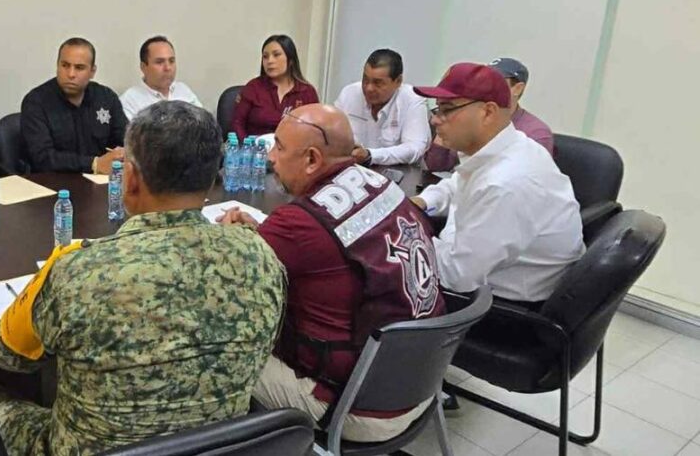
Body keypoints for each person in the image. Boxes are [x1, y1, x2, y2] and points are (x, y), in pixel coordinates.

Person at [0, 101, 286, 455]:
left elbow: (10, 357)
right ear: (212, 178)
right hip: (219, 443)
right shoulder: (262, 258)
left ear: (129, 179)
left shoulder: (79, 270)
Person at [217, 104, 445, 442]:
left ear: (312, 159)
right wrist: (266, 234)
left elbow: (225, 277)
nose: (272, 159)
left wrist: (232, 237)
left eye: (279, 147)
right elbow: (331, 246)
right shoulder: (382, 183)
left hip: (357, 405)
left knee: (213, 346)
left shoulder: (296, 223)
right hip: (421, 380)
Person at [412, 63, 583, 303]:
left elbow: (456, 276)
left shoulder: (506, 184)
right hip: (476, 265)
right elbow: (458, 183)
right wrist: (421, 202)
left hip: (497, 307)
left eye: (447, 109)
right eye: (436, 109)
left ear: (488, 112)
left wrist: (407, 236)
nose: (436, 121)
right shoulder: (511, 146)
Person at [424, 57, 554, 171]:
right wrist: (445, 121)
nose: (489, 85)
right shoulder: (472, 116)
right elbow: (435, 166)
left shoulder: (536, 133)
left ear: (517, 88)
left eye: (498, 80)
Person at [21, 37, 128, 174]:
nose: (71, 74)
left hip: (101, 183)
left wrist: (123, 154)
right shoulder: (36, 102)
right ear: (57, 65)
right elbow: (43, 158)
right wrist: (94, 164)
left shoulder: (106, 98)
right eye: (65, 65)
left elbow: (126, 141)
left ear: (92, 72)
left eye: (79, 68)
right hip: (54, 184)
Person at [333, 49, 430, 166]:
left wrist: (370, 155)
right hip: (353, 170)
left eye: (377, 83)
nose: (369, 88)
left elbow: (414, 149)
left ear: (398, 81)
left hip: (400, 174)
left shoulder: (412, 99)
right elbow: (332, 136)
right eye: (365, 79)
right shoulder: (349, 93)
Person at [230, 34, 320, 140]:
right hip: (256, 151)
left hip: (293, 153)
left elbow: (315, 130)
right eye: (265, 56)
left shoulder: (307, 92)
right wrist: (248, 148)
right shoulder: (253, 88)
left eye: (276, 55)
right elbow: (237, 124)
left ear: (290, 60)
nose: (270, 61)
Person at [119, 35, 202, 120]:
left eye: (171, 61)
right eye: (159, 62)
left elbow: (205, 125)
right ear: (143, 67)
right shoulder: (129, 101)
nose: (168, 68)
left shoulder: (183, 90)